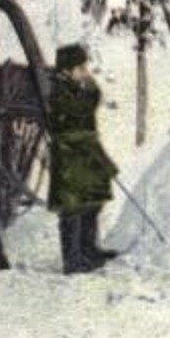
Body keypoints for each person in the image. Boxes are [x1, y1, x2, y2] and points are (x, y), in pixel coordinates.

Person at [47, 43, 119, 274]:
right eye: (80, 66)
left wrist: (88, 87)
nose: (84, 70)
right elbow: (81, 108)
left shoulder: (73, 85)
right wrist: (91, 88)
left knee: (93, 200)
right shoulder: (57, 88)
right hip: (69, 153)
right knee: (73, 207)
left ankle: (89, 250)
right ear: (68, 69)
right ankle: (73, 259)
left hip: (85, 150)